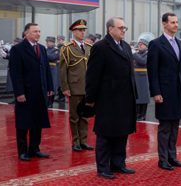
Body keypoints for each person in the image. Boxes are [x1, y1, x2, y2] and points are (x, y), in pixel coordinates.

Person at [85, 17, 137, 179]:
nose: (123, 30)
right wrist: (90, 98)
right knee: (105, 134)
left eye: (125, 28)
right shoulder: (101, 47)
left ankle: (118, 163)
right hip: (107, 98)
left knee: (122, 132)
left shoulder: (126, 46)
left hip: (125, 97)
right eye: (120, 27)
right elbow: (93, 75)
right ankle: (103, 167)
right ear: (110, 29)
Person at [147, 12, 181, 171]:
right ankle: (163, 159)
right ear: (164, 24)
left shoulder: (179, 43)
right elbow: (152, 71)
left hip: (178, 91)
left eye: (177, 22)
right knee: (165, 127)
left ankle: (173, 157)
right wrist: (155, 92)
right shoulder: (156, 44)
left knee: (175, 126)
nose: (176, 25)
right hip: (164, 92)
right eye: (172, 22)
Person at [9, 23, 53, 161]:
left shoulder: (42, 48)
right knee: (23, 123)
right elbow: (15, 73)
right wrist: (19, 93)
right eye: (35, 31)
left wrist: (50, 87)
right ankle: (22, 151)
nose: (38, 34)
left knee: (38, 122)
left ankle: (34, 148)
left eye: (39, 31)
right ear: (26, 33)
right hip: (26, 93)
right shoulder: (18, 49)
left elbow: (46, 69)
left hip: (40, 91)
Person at [59, 19, 94, 152]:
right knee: (74, 117)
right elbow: (63, 70)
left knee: (85, 115)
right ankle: (75, 142)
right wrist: (65, 88)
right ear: (73, 32)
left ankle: (84, 141)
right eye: (80, 30)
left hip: (87, 88)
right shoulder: (67, 48)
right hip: (74, 88)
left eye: (84, 30)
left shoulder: (88, 47)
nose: (82, 32)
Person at [133, 36, 151, 121]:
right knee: (136, 96)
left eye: (142, 44)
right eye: (139, 44)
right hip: (136, 76)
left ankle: (142, 114)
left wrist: (134, 54)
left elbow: (143, 61)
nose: (139, 46)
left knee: (143, 97)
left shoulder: (148, 53)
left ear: (146, 46)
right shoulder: (137, 53)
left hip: (143, 77)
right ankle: (137, 114)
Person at [45, 36, 61, 106]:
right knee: (46, 85)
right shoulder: (45, 49)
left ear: (53, 43)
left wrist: (46, 55)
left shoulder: (56, 50)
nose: (48, 43)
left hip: (53, 69)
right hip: (46, 69)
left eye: (50, 42)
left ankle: (50, 101)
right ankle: (46, 100)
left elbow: (53, 57)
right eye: (47, 42)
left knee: (53, 86)